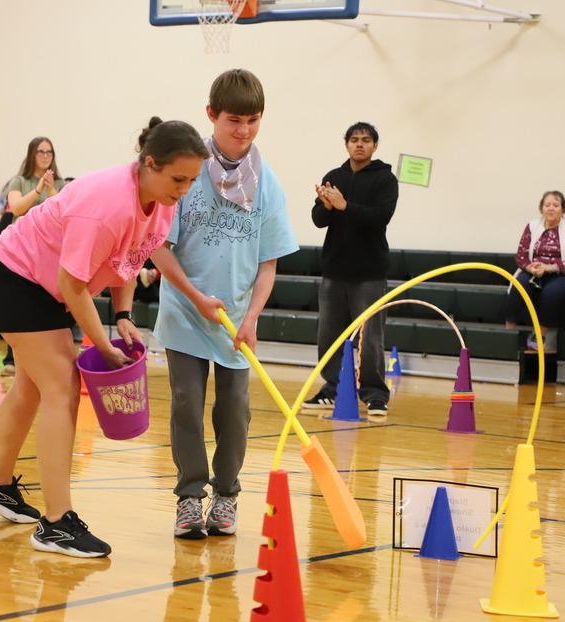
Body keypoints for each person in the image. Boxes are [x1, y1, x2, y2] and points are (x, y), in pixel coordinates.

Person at [0, 117, 207, 558]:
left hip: (45, 282)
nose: (184, 188)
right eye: (178, 178)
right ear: (150, 164)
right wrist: (104, 343)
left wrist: (123, 314)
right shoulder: (106, 202)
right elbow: (73, 285)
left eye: (191, 180)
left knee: (33, 386)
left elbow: (133, 257)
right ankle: (56, 525)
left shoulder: (162, 199)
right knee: (62, 387)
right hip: (17, 276)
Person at [151, 69, 299, 540]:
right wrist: (193, 297)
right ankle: (190, 498)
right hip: (184, 312)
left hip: (235, 320)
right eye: (234, 120)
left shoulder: (267, 183)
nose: (244, 131)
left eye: (253, 121)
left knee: (234, 408)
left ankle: (227, 494)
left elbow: (269, 263)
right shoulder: (187, 171)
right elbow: (159, 247)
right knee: (185, 404)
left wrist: (251, 317)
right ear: (211, 115)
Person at [302, 122, 399, 417]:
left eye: (366, 140)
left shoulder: (385, 179)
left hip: (369, 274)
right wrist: (327, 207)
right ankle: (332, 389)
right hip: (333, 272)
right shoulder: (334, 177)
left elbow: (380, 218)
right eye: (354, 140)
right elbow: (319, 220)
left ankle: (374, 395)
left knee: (369, 338)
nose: (360, 144)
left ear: (374, 146)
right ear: (346, 145)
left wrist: (344, 206)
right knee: (329, 336)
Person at [0, 138, 68, 377]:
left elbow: (63, 212)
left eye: (49, 152)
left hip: (49, 253)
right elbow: (16, 209)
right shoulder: (19, 181)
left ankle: (44, 359)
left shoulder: (61, 183)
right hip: (21, 251)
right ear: (32, 155)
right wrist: (37, 190)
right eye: (41, 152)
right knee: (18, 305)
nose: (46, 156)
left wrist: (50, 189)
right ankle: (11, 359)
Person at [505, 191, 565, 352]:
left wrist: (550, 267)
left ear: (563, 209)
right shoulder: (532, 226)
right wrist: (529, 267)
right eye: (547, 205)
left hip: (563, 273)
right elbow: (521, 255)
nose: (551, 209)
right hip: (533, 270)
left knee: (552, 293)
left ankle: (539, 336)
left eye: (556, 205)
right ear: (541, 208)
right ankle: (508, 332)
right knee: (518, 287)